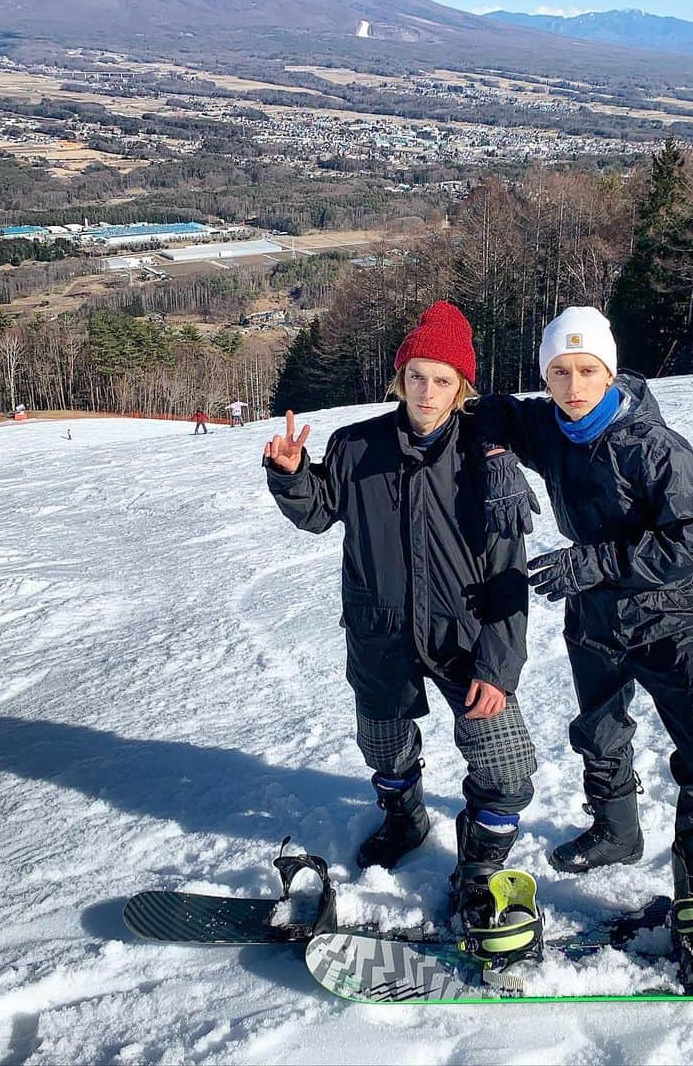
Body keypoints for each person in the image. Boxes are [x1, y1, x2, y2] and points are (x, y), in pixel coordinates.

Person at [474, 306, 693, 991]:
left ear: (611, 370)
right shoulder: (552, 426)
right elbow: (489, 410)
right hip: (593, 619)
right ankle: (615, 829)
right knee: (598, 729)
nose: (573, 385)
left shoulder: (655, 446)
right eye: (559, 372)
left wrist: (594, 563)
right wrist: (499, 459)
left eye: (587, 370)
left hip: (664, 619)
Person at [263, 300, 537, 929]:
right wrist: (291, 474)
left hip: (464, 638)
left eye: (443, 380)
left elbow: (508, 573)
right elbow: (316, 511)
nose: (428, 391)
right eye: (418, 376)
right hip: (380, 632)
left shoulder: (487, 461)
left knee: (505, 765)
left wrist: (498, 666)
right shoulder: (357, 445)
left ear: (461, 387)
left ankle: (479, 865)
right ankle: (404, 816)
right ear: (400, 377)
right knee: (382, 747)